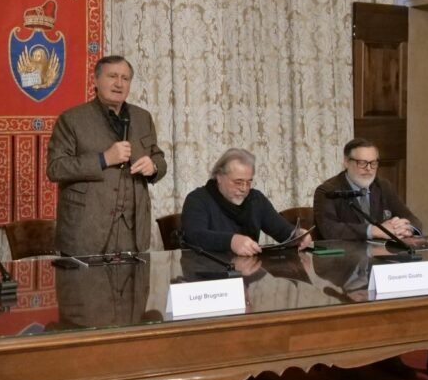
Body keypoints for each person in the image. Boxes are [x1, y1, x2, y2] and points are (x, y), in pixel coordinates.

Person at [47, 55, 167, 256]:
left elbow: (159, 157)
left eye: (125, 78)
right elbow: (55, 168)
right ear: (95, 80)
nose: (119, 84)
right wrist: (104, 159)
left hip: (133, 233)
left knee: (135, 288)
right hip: (85, 232)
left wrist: (153, 166)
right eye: (112, 76)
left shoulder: (142, 117)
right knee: (83, 288)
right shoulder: (72, 119)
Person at [181, 148, 312, 256]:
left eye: (248, 182)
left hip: (249, 276)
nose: (244, 189)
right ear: (219, 177)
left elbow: (281, 230)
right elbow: (194, 235)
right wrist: (231, 241)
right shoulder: (197, 199)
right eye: (238, 182)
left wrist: (297, 235)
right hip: (210, 278)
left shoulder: (256, 199)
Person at [313, 138, 422, 240]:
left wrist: (407, 228)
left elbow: (412, 218)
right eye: (362, 163)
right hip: (345, 257)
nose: (369, 168)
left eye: (373, 163)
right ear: (346, 162)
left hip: (381, 254)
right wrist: (373, 231)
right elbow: (329, 230)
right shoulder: (328, 191)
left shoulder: (383, 186)